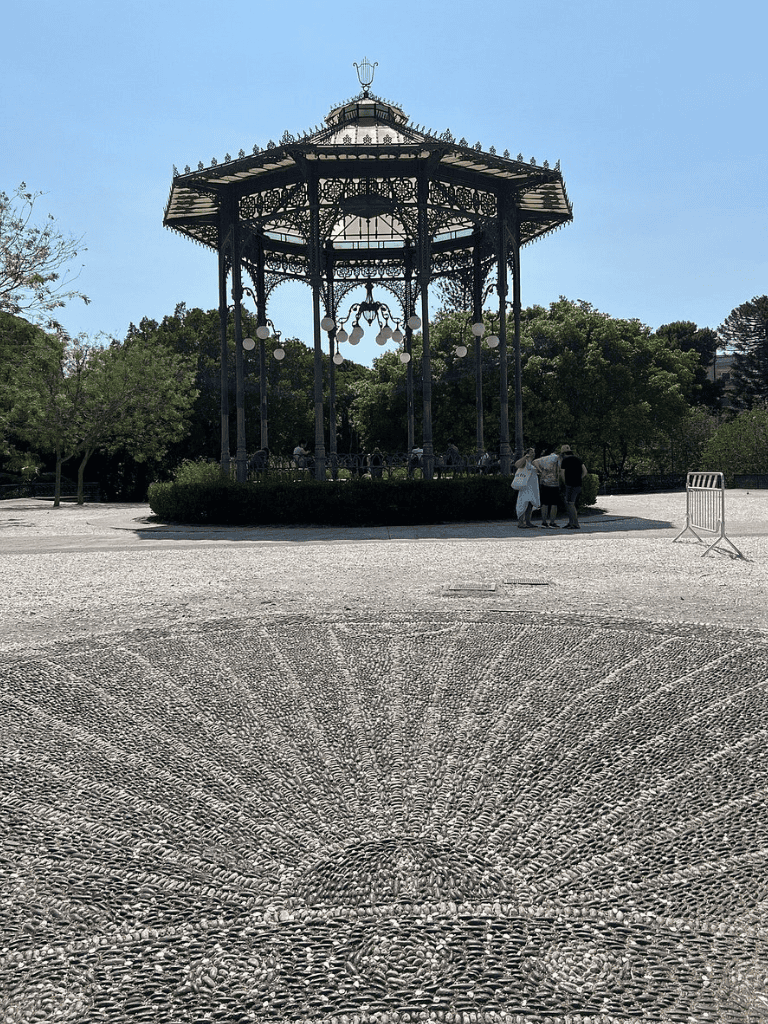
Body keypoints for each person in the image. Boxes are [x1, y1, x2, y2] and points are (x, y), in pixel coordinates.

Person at [558, 444, 588, 529]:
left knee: (570, 504)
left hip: (569, 484)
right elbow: (585, 471)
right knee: (571, 503)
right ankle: (571, 522)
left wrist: (564, 482)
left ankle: (575, 523)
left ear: (563, 453)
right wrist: (579, 478)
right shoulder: (578, 459)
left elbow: (562, 473)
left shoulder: (565, 460)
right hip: (578, 484)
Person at [533, 447, 561, 527]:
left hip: (545, 483)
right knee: (554, 504)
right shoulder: (557, 459)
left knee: (545, 503)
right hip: (555, 484)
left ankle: (544, 522)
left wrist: (540, 471)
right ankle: (552, 522)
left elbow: (534, 462)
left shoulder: (545, 460)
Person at [513, 447, 541, 529]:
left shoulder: (532, 463)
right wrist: (525, 457)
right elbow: (517, 465)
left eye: (534, 452)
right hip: (525, 487)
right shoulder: (524, 462)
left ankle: (528, 521)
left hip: (532, 487)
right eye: (531, 452)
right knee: (523, 503)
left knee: (530, 505)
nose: (533, 453)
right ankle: (521, 522)